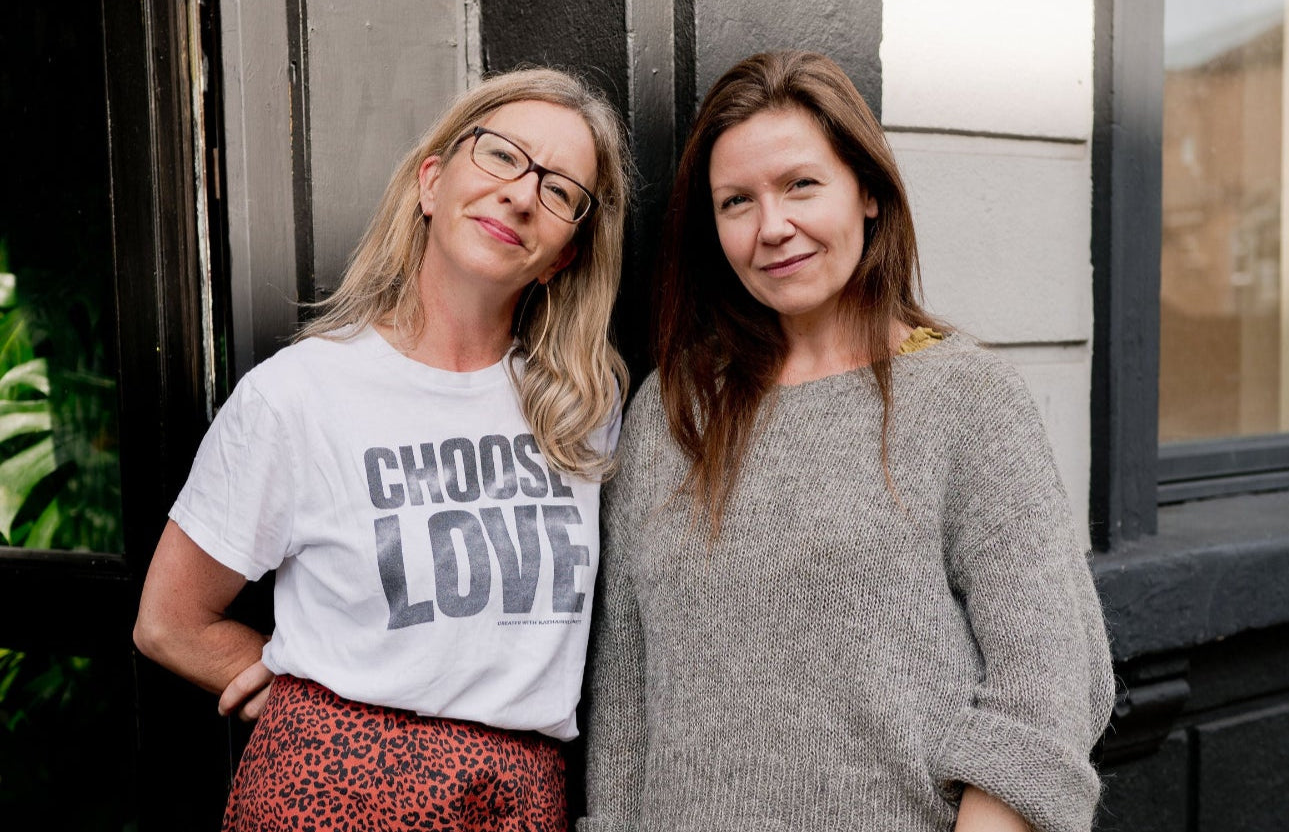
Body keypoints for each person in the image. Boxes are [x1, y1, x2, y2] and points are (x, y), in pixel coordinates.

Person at [580, 50, 1115, 832]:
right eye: (736, 202)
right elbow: (625, 701)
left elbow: (1047, 682)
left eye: (801, 184)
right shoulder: (672, 408)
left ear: (866, 191)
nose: (772, 227)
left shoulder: (965, 397)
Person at [134, 67, 631, 831]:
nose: (521, 194)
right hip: (334, 791)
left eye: (560, 189)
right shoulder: (298, 394)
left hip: (517, 798)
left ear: (563, 253)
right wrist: (296, 689)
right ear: (431, 181)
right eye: (502, 155)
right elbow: (169, 619)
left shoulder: (584, 410)